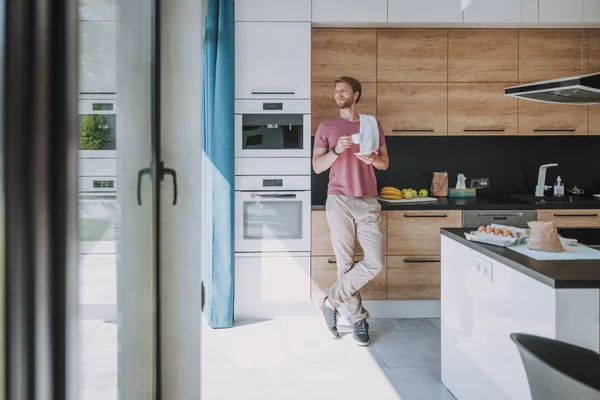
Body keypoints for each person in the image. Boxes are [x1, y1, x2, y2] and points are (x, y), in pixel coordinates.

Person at [312, 76, 389, 346]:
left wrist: (373, 159)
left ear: (356, 95)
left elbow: (384, 163)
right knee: (345, 264)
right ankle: (358, 320)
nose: (338, 94)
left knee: (375, 262)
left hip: (368, 199)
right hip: (339, 200)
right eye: (336, 91)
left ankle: (329, 301)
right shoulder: (327, 126)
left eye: (344, 90)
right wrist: (336, 150)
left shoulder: (371, 123)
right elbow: (318, 166)